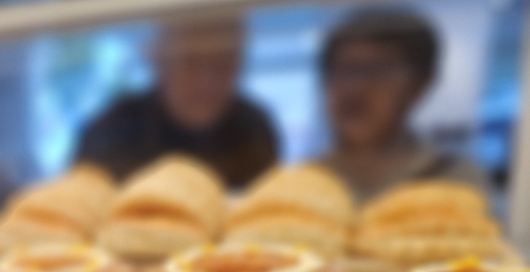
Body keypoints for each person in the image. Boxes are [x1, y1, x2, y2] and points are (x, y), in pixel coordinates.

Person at [74, 14, 277, 188]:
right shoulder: (111, 132)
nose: (207, 80)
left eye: (224, 62)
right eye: (192, 62)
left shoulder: (255, 128)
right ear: (158, 61)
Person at [316, 9, 489, 202]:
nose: (354, 87)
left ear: (419, 84)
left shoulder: (454, 181)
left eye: (374, 70)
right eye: (343, 70)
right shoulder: (305, 181)